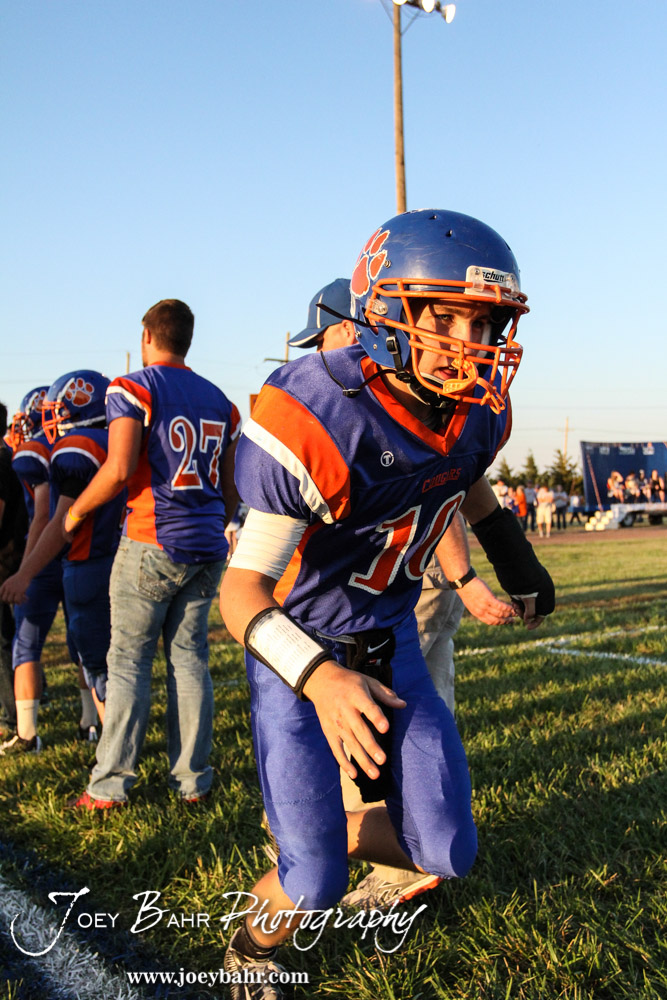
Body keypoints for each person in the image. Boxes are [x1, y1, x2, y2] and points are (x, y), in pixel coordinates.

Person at [219, 209, 555, 998]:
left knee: (446, 851)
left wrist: (514, 559)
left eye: (485, 319)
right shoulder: (312, 412)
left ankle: (323, 841)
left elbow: (462, 474)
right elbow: (240, 595)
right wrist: (321, 680)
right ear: (383, 308)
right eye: (443, 315)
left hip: (389, 633)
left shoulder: (477, 407)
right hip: (297, 649)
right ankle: (250, 946)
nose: (469, 339)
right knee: (310, 885)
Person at [286, 277, 507, 908]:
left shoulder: (395, 397)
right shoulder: (356, 402)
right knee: (414, 700)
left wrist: (463, 577)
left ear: (361, 323)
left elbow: (454, 481)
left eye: (323, 338)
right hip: (384, 589)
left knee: (382, 717)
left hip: (391, 591)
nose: (317, 357)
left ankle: (395, 858)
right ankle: (412, 839)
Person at [65, 299, 240, 808]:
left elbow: (119, 468)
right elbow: (231, 487)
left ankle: (110, 784)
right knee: (189, 662)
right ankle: (193, 781)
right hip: (206, 543)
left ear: (147, 335)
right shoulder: (221, 401)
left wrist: (76, 514)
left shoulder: (133, 386)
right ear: (188, 339)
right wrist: (215, 522)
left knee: (127, 663)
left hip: (152, 537)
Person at [0, 371, 126, 733]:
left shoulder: (74, 448)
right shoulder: (118, 440)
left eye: (54, 410)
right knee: (101, 657)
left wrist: (25, 572)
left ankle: (110, 751)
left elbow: (53, 519)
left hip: (80, 559)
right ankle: (98, 729)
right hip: (116, 556)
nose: (49, 419)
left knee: (91, 659)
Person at [0, 386, 81, 755]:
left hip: (46, 557)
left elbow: (43, 515)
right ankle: (90, 723)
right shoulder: (81, 445)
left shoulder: (34, 452)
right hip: (81, 553)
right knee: (83, 647)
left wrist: (27, 567)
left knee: (26, 645)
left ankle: (28, 733)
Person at [0, 403, 29, 738]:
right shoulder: (11, 456)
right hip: (16, 554)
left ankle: (12, 719)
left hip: (7, 559)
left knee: (7, 640)